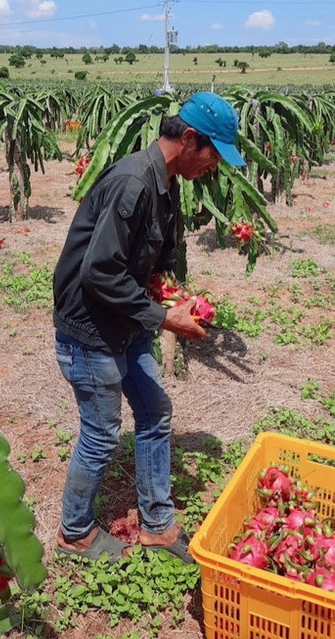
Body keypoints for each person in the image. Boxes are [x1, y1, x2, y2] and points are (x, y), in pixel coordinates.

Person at [53, 91, 245, 563]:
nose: (215, 167)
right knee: (101, 433)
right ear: (191, 138)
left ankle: (157, 524)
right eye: (214, 155)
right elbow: (98, 272)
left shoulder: (167, 181)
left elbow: (151, 262)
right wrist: (164, 317)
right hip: (91, 328)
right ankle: (74, 533)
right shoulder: (134, 183)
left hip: (126, 318)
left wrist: (175, 297)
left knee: (155, 411)